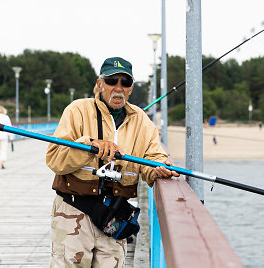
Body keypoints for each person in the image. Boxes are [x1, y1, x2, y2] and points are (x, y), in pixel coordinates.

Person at [46, 57, 179, 268]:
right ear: (100, 84)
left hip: (114, 215)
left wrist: (159, 169)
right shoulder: (77, 110)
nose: (118, 88)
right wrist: (89, 146)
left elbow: (153, 157)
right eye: (111, 81)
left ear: (131, 88)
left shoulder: (142, 121)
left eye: (125, 83)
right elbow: (55, 159)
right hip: (73, 210)